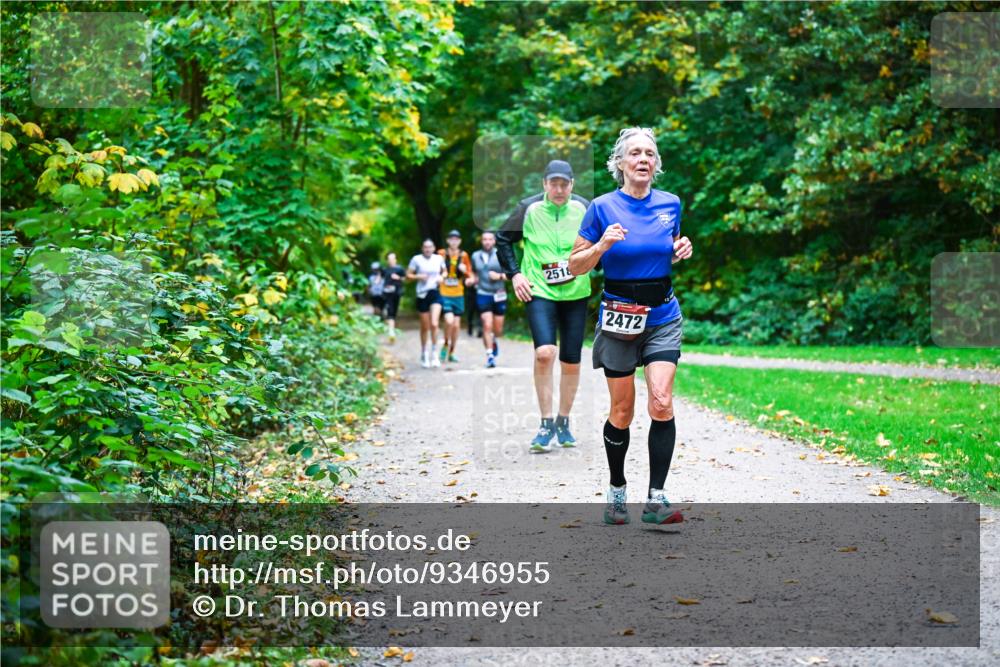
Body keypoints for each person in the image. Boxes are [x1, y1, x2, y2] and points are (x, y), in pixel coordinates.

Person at [568, 127, 694, 526]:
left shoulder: (670, 204)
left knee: (661, 401)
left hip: (662, 316)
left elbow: (666, 248)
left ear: (656, 164)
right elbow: (575, 265)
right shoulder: (601, 207)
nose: (643, 159)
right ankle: (617, 490)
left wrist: (680, 249)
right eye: (636, 153)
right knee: (622, 411)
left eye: (650, 154)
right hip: (619, 318)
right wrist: (601, 245)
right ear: (620, 163)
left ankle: (656, 499)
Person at [497, 160, 590, 453]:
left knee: (571, 361)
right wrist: (515, 274)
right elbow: (502, 239)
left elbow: (605, 242)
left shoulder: (586, 208)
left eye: (564, 184)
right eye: (554, 184)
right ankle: (545, 422)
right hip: (540, 290)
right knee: (544, 353)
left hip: (576, 291)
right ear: (544, 184)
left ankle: (563, 421)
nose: (559, 189)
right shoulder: (528, 208)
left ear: (572, 185)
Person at [406, 239, 446, 368]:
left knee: (434, 323)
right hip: (422, 294)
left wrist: (442, 277)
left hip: (435, 292)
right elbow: (408, 275)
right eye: (425, 247)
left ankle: (434, 353)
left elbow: (444, 271)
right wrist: (418, 276)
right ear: (422, 248)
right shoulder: (416, 259)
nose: (428, 249)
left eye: (430, 247)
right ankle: (424, 352)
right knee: (425, 326)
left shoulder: (438, 258)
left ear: (433, 248)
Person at [471, 230, 508, 368]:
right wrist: (472, 279)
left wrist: (499, 276)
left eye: (490, 239)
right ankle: (490, 355)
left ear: (494, 241)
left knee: (498, 329)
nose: (487, 242)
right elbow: (474, 273)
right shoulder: (475, 256)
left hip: (499, 294)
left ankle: (494, 339)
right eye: (484, 239)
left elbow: (513, 274)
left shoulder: (502, 254)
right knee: (487, 325)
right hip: (483, 293)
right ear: (481, 241)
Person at [437, 230, 474, 364]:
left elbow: (470, 274)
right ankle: (446, 343)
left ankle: (452, 351)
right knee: (449, 321)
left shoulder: (464, 255)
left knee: (456, 325)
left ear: (459, 241)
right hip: (444, 293)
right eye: (451, 239)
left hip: (458, 294)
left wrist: (468, 276)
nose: (454, 242)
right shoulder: (441, 254)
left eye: (456, 239)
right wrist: (439, 275)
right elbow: (433, 268)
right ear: (448, 241)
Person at [382, 252, 405, 343]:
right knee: (390, 311)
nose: (391, 260)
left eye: (392, 259)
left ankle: (392, 329)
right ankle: (391, 332)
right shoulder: (385, 270)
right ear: (387, 260)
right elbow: (382, 279)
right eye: (389, 259)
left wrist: (398, 278)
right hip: (387, 294)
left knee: (394, 312)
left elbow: (406, 278)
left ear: (395, 259)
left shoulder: (400, 269)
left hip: (397, 293)